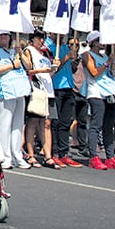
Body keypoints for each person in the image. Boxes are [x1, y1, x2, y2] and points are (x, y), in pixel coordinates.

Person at [0, 30, 31, 169]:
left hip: (20, 91)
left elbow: (28, 66)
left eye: (6, 35)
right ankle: (4, 156)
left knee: (18, 124)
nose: (3, 37)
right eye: (0, 35)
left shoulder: (14, 51)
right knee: (4, 123)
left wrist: (20, 52)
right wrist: (11, 65)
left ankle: (17, 155)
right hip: (4, 91)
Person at [81, 32, 115, 171]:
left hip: (109, 93)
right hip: (96, 92)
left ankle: (110, 157)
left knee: (109, 126)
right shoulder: (87, 55)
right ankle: (93, 155)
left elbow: (111, 75)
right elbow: (94, 72)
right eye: (100, 40)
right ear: (93, 42)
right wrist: (107, 63)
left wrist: (112, 65)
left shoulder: (105, 56)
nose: (103, 42)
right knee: (96, 125)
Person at [21, 30, 59, 168]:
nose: (41, 41)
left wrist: (53, 68)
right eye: (38, 38)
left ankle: (48, 155)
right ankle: (30, 154)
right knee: (33, 121)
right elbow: (28, 71)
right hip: (36, 89)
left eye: (42, 39)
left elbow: (50, 73)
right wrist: (43, 71)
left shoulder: (45, 53)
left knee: (46, 123)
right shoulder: (29, 51)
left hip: (48, 90)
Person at [50, 36, 82, 167]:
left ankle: (64, 153)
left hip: (68, 86)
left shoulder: (64, 46)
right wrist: (66, 58)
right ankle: (54, 152)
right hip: (56, 87)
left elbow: (71, 68)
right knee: (55, 122)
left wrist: (73, 60)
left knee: (65, 122)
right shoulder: (50, 47)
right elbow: (53, 68)